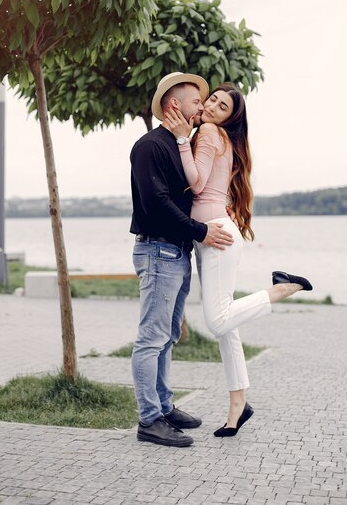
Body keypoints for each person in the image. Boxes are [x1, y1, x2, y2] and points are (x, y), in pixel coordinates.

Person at [164, 83, 313, 437]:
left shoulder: (209, 132)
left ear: (231, 117)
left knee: (217, 322)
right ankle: (237, 407)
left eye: (222, 105)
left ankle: (280, 290)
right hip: (216, 230)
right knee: (228, 329)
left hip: (215, 232)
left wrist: (184, 140)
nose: (214, 106)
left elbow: (197, 184)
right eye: (212, 99)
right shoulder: (223, 137)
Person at [130, 71, 235, 448]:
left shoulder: (179, 143)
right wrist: (200, 231)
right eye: (196, 101)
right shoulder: (149, 147)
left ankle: (164, 405)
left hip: (177, 253)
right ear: (175, 104)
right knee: (151, 338)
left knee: (168, 336)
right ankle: (149, 419)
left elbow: (197, 188)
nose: (202, 107)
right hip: (158, 249)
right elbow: (156, 204)